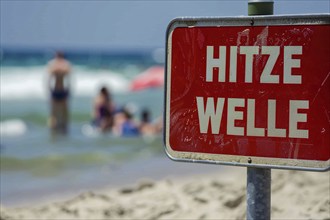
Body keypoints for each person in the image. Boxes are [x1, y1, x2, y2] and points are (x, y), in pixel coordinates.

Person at [47, 51, 71, 134]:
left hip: (60, 90)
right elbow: (50, 74)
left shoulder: (62, 64)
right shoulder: (58, 64)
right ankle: (56, 130)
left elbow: (68, 72)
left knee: (60, 113)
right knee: (56, 113)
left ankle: (60, 130)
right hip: (57, 90)